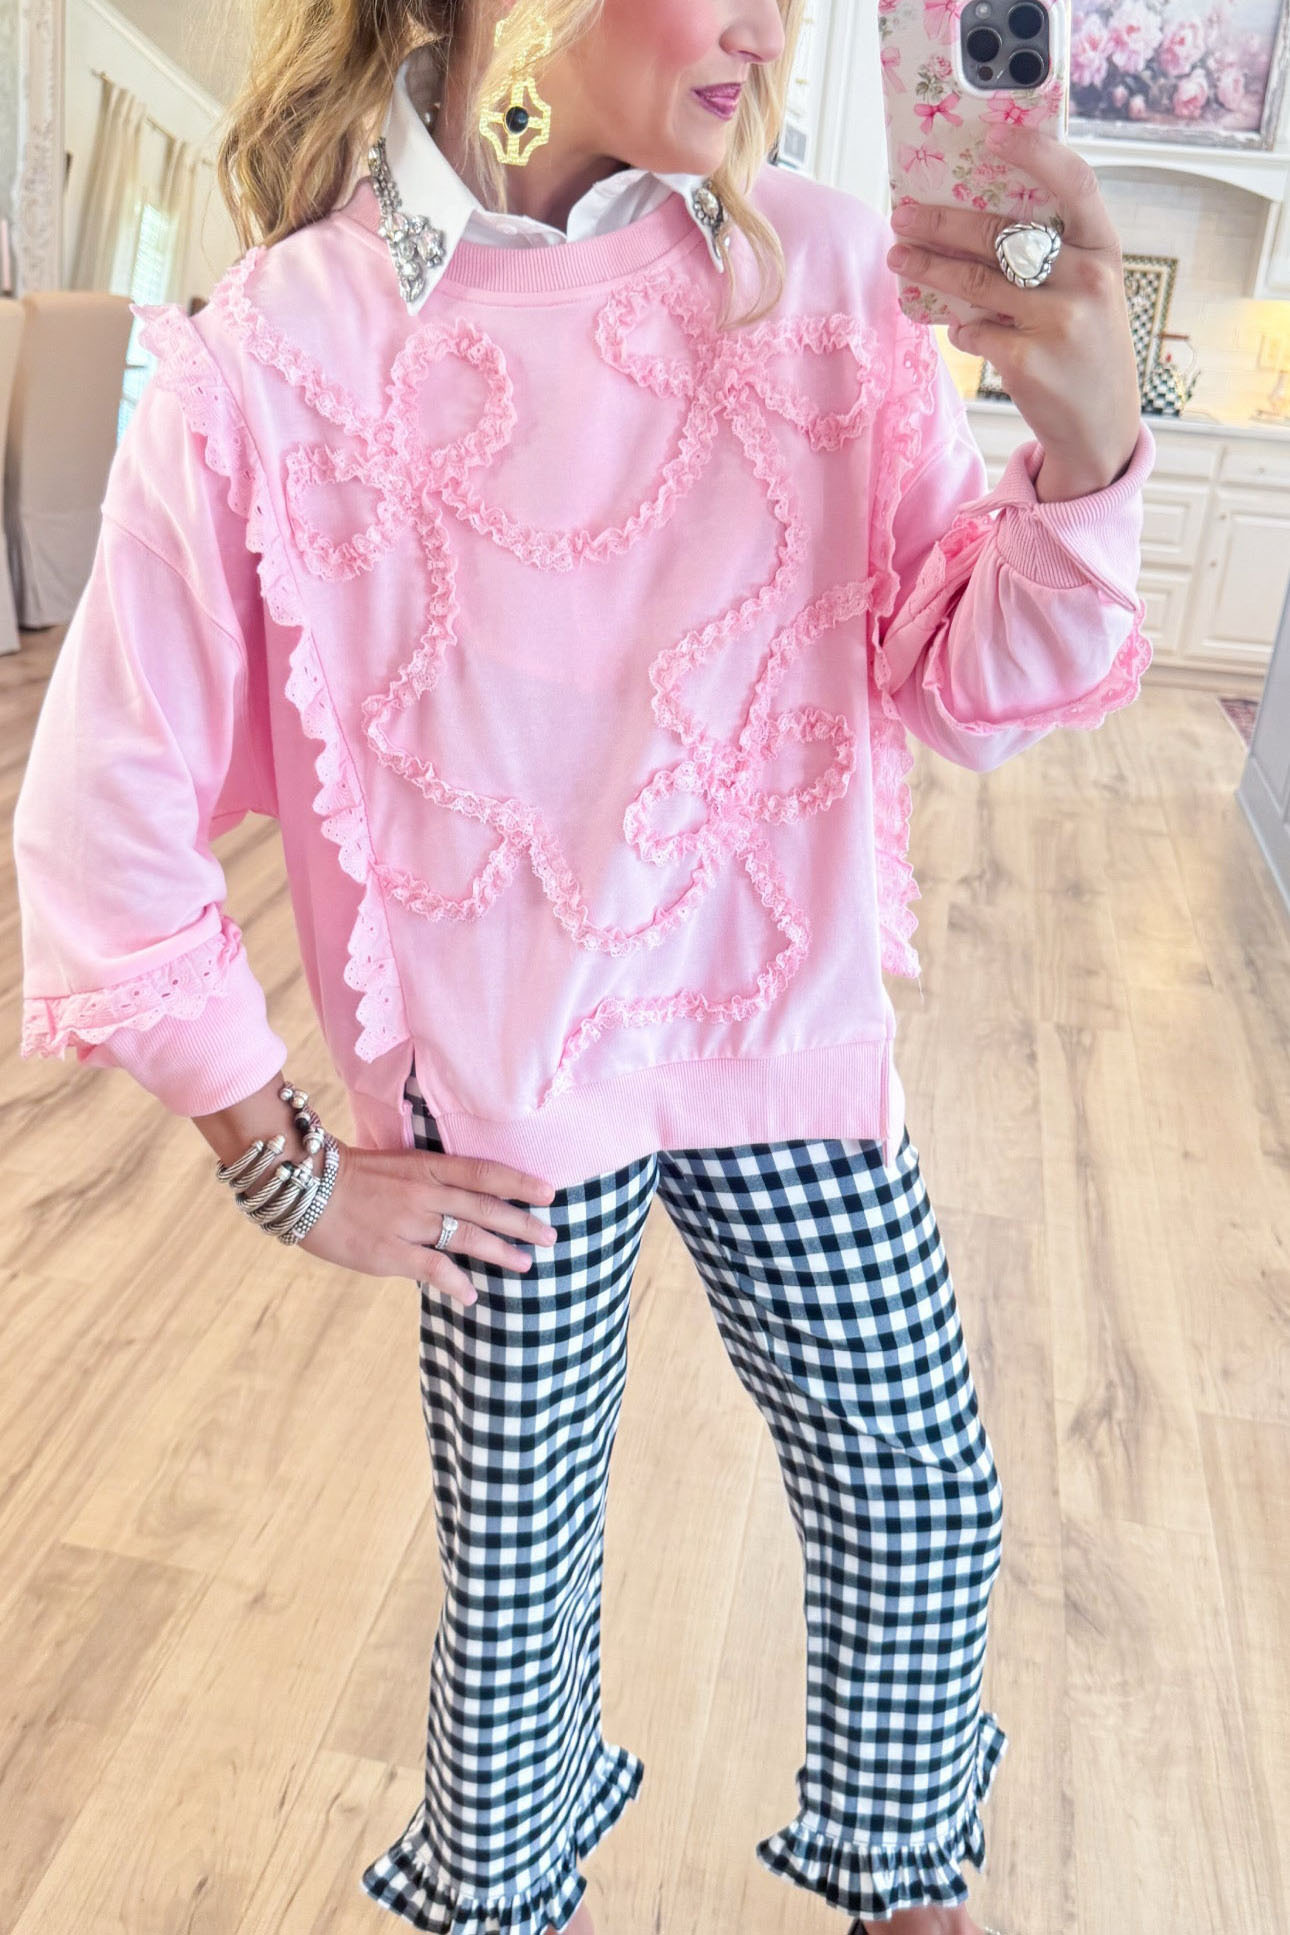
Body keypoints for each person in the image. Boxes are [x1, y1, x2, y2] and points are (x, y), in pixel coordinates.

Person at [13, 2, 1155, 1932]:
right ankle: (508, 1895)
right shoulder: (279, 350)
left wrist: (1089, 439)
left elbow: (963, 685)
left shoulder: (821, 278)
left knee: (922, 1501)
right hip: (504, 1121)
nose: (765, 27)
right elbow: (99, 817)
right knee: (517, 1578)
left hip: (783, 1042)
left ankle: (908, 1891)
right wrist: (282, 1165)